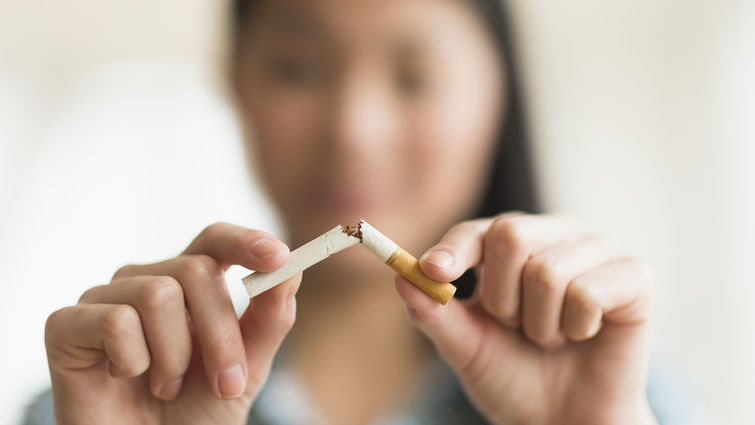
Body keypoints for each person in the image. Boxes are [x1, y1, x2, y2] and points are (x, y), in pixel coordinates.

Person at [30, 0, 699, 424]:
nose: (353, 129)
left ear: (497, 91)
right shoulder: (112, 392)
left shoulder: (629, 397)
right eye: (297, 68)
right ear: (234, 81)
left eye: (414, 77)